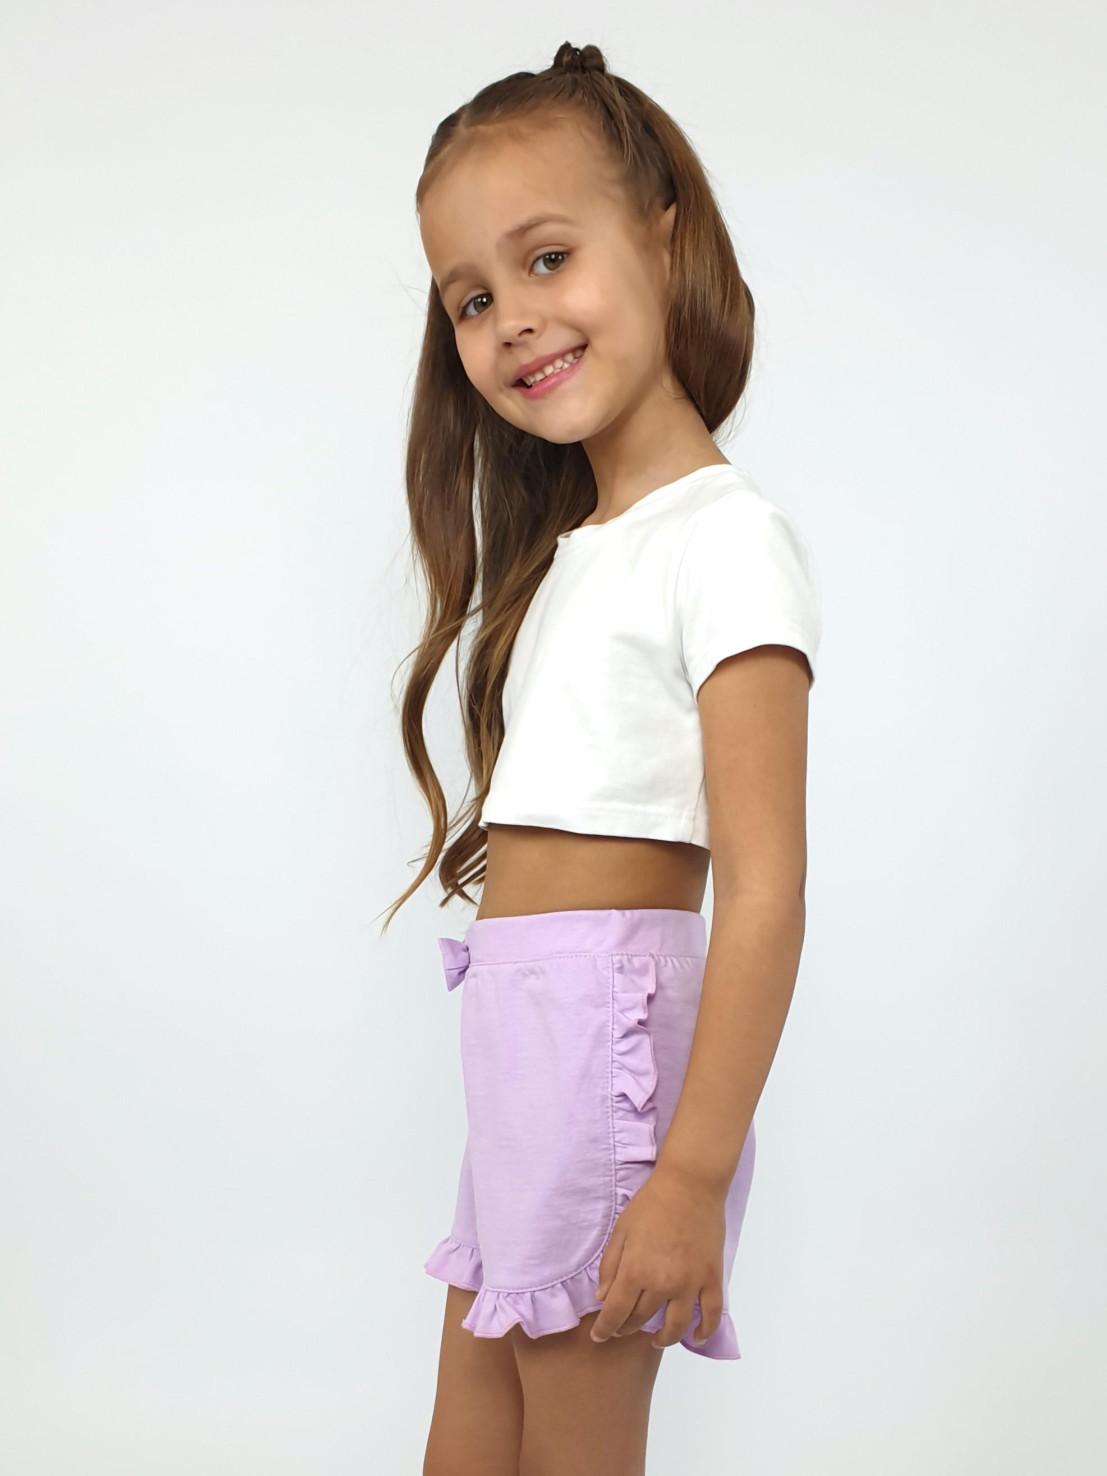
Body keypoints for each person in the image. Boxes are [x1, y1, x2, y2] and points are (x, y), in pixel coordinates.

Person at [381, 39, 823, 1476]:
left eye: (548, 258)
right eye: (471, 297)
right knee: (471, 1429)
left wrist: (690, 1173)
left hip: (605, 1052)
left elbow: (764, 889)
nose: (512, 317)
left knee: (573, 1438)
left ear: (665, 239)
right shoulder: (574, 552)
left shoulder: (724, 538)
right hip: (527, 1043)